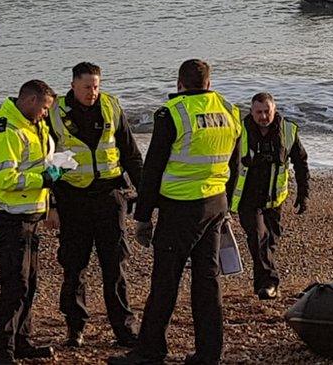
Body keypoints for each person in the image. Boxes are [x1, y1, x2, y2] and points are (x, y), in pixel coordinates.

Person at [108, 60, 241, 365]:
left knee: (165, 283)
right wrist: (228, 206)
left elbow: (153, 168)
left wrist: (142, 218)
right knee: (207, 281)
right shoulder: (229, 110)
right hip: (215, 204)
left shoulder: (172, 113)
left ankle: (150, 350)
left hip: (180, 209)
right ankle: (209, 352)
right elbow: (235, 165)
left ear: (180, 84)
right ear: (209, 83)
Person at [48, 62, 143, 349]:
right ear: (73, 85)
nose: (93, 92)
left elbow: (130, 153)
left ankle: (124, 330)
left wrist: (146, 195)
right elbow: (46, 162)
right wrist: (50, 204)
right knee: (74, 266)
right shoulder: (55, 112)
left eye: (97, 86)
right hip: (72, 198)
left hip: (109, 198)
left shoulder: (111, 106)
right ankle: (75, 328)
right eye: (87, 87)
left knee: (114, 266)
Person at [0, 80, 60, 364]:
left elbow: (38, 163)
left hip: (30, 214)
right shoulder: (7, 131)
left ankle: (21, 340)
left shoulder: (32, 125)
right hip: (10, 217)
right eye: (44, 107)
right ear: (29, 101)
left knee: (30, 283)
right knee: (15, 284)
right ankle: (2, 351)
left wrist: (51, 180)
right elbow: (0, 179)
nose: (45, 114)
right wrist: (44, 179)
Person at [229, 92, 310, 300]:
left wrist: (303, 195)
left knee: (269, 243)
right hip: (247, 199)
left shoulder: (288, 131)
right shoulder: (239, 130)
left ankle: (261, 286)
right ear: (251, 111)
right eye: (259, 112)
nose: (263, 116)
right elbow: (226, 165)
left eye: (267, 112)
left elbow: (301, 163)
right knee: (257, 238)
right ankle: (270, 283)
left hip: (275, 199)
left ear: (274, 110)